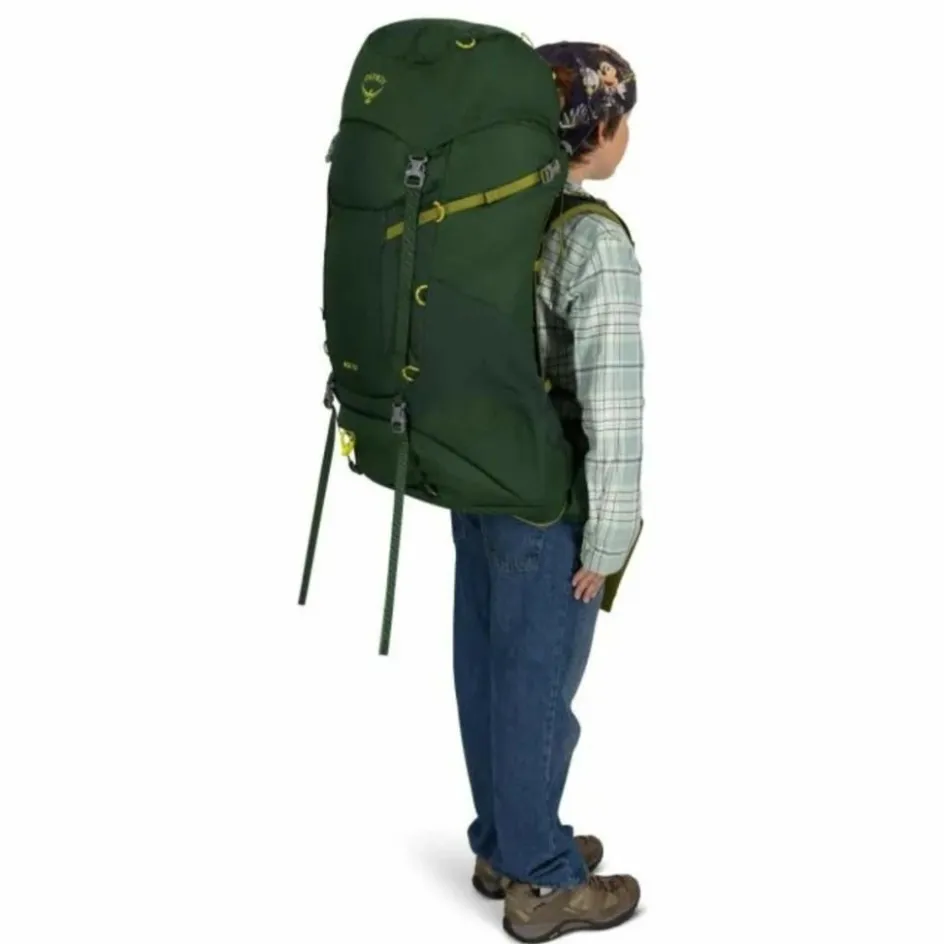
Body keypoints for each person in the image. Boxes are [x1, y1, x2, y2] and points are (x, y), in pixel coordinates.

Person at [450, 40, 645, 942]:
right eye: (622, 116)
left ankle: (503, 840)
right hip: (546, 500)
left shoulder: (486, 214)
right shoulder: (591, 240)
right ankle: (542, 879)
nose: (627, 132)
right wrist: (609, 539)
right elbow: (613, 401)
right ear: (594, 131)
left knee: (488, 673)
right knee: (536, 689)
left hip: (474, 480)